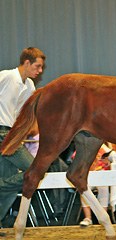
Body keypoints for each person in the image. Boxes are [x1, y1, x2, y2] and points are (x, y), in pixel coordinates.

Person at [0, 47, 46, 226]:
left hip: (11, 133)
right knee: (35, 170)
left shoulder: (29, 86)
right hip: (4, 133)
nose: (40, 70)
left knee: (9, 190)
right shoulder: (7, 76)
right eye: (37, 66)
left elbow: (24, 114)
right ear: (26, 63)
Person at [79, 144, 116, 227]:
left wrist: (108, 162)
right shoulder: (83, 147)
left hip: (101, 175)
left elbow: (115, 158)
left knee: (103, 188)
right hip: (88, 176)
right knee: (84, 188)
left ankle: (103, 217)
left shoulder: (104, 148)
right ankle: (88, 218)